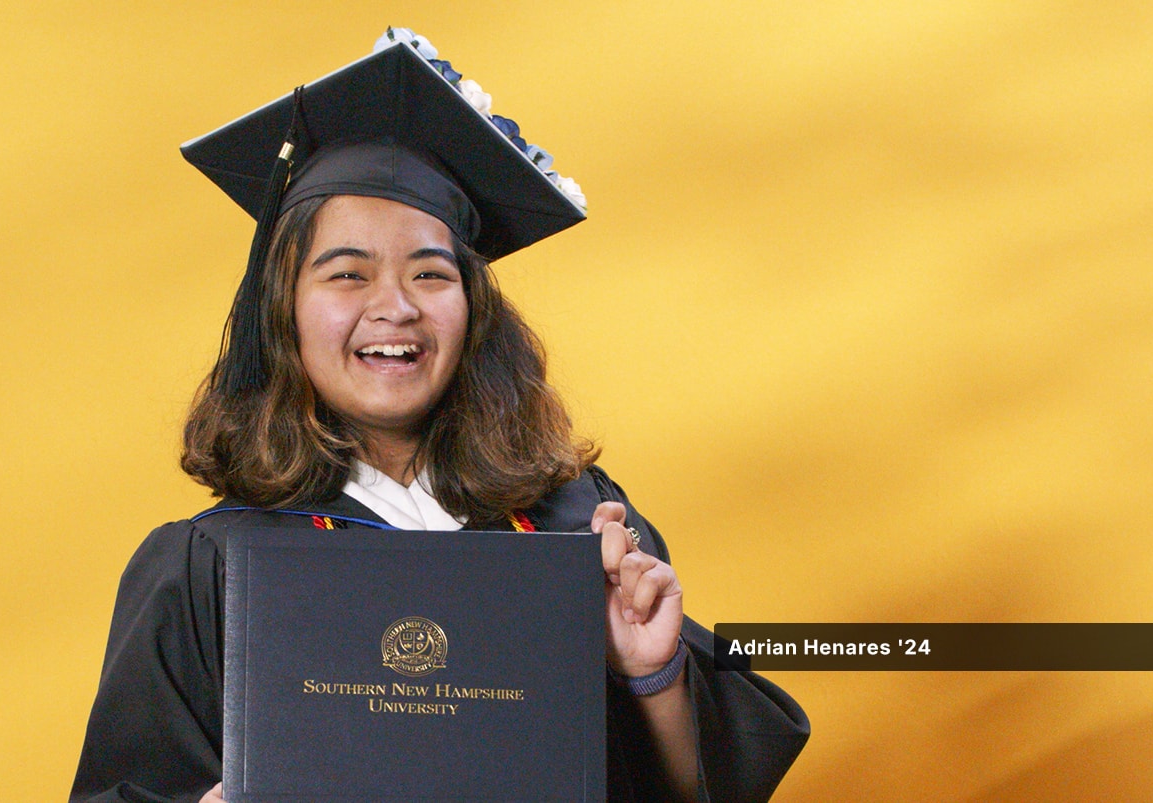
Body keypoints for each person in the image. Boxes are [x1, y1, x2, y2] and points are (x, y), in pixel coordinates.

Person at [72, 29, 808, 803]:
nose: (395, 306)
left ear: (473, 306)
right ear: (281, 308)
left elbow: (687, 791)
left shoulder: (577, 529)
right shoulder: (208, 569)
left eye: (430, 273)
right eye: (347, 274)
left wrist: (650, 676)